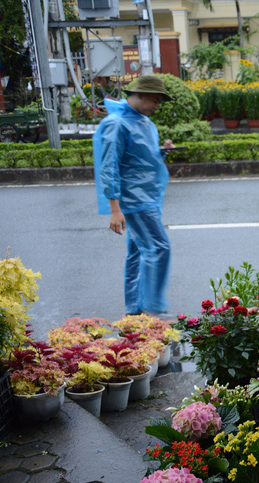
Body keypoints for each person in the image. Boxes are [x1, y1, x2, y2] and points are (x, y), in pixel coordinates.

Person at [93, 75, 175, 317]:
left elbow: (141, 158)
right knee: (159, 248)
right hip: (134, 200)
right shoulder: (116, 123)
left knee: (138, 252)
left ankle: (135, 311)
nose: (157, 106)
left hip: (147, 197)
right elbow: (109, 166)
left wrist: (163, 152)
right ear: (139, 95)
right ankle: (152, 311)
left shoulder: (143, 122)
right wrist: (115, 209)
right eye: (155, 100)